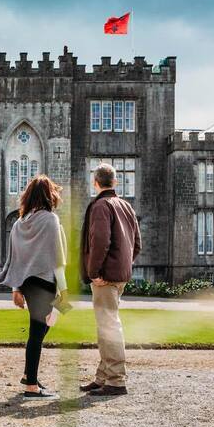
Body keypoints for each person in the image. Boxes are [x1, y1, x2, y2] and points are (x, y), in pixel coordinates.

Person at [0, 175, 70, 399]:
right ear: (49, 195)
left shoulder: (19, 223)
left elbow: (13, 259)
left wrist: (16, 289)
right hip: (45, 282)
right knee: (38, 333)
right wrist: (64, 292)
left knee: (41, 330)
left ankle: (28, 375)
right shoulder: (50, 220)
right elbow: (58, 259)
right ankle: (31, 387)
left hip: (27, 283)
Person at [79, 163, 141, 396]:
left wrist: (94, 272)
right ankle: (103, 376)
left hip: (105, 277)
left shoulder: (101, 206)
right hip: (119, 275)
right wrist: (123, 264)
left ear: (95, 183)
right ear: (115, 182)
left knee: (109, 326)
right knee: (107, 324)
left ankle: (115, 379)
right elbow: (137, 245)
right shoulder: (126, 206)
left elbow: (100, 242)